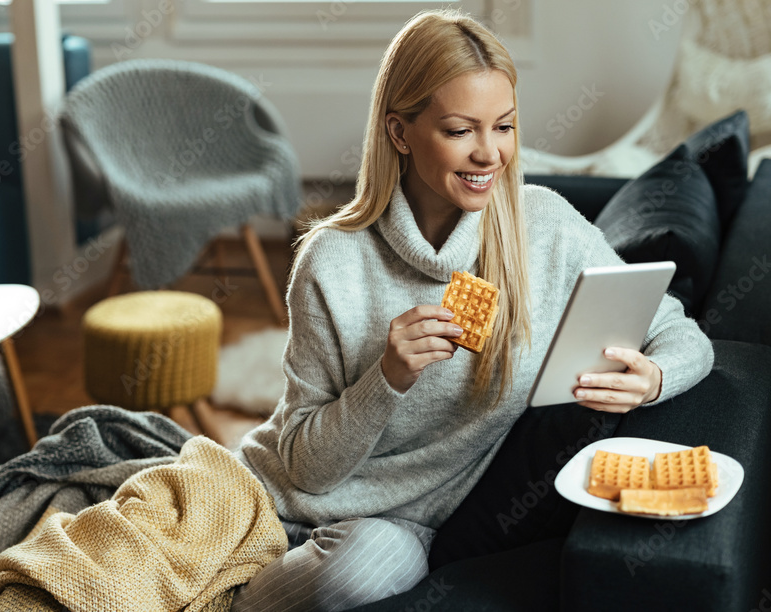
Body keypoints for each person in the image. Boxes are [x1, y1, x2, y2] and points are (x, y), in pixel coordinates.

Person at [230, 9, 714, 612]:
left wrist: (654, 378)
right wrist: (386, 379)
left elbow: (683, 333)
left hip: (397, 525)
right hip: (277, 489)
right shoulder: (332, 259)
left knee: (361, 573)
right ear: (400, 133)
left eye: (505, 126)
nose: (490, 154)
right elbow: (304, 467)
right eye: (461, 130)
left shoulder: (545, 229)